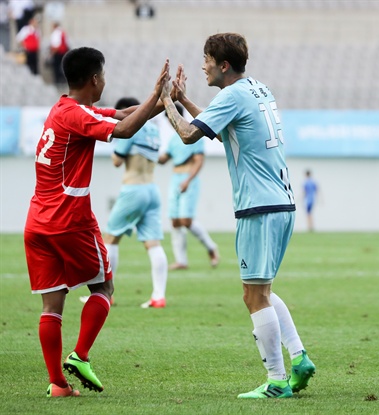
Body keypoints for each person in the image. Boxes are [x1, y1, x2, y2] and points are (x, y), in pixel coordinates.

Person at [160, 33, 315, 399]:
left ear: (223, 64)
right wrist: (183, 99)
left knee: (253, 296)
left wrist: (166, 100)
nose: (202, 66)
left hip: (259, 207)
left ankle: (277, 380)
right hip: (280, 203)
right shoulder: (257, 89)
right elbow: (216, 128)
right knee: (262, 291)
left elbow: (186, 135)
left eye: (207, 59)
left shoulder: (231, 96)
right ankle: (300, 358)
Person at [24, 46, 169, 397]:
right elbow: (124, 130)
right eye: (103, 74)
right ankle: (81, 355)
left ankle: (58, 384)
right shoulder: (78, 116)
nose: (105, 80)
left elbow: (122, 114)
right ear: (94, 79)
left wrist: (164, 102)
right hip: (69, 219)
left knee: (52, 305)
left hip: (37, 222)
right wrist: (155, 95)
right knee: (103, 288)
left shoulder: (65, 109)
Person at [81, 97, 169, 309]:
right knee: (153, 243)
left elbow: (117, 160)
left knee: (110, 239)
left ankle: (106, 294)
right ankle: (159, 296)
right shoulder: (153, 130)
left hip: (133, 188)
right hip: (152, 188)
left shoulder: (133, 129)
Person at [158, 102, 219, 270]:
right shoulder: (172, 139)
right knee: (175, 221)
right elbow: (163, 159)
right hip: (175, 178)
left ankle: (211, 247)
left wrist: (188, 180)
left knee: (186, 220)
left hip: (188, 179)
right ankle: (181, 261)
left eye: (170, 117)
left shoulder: (192, 134)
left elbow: (199, 161)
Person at [48, 21, 69, 85]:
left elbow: (57, 45)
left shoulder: (56, 33)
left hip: (58, 52)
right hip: (63, 52)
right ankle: (62, 80)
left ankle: (57, 80)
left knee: (56, 67)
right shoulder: (63, 32)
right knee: (62, 67)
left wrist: (52, 53)